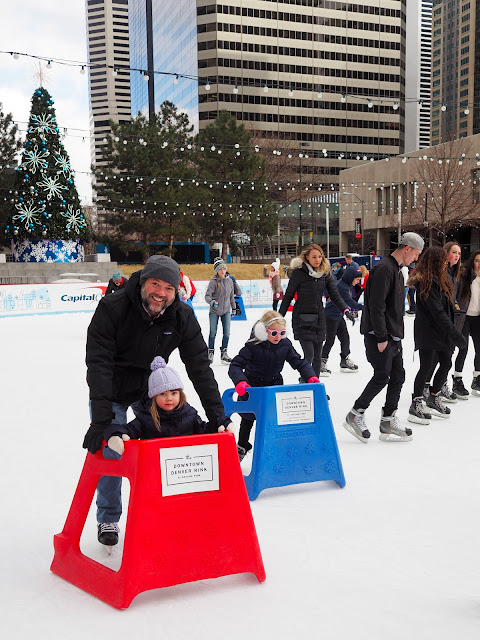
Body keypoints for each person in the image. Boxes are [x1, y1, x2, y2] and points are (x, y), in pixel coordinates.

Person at [83, 255, 231, 547]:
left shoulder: (181, 316)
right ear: (143, 282)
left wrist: (216, 415)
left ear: (176, 291)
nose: (160, 293)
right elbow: (98, 364)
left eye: (168, 288)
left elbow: (199, 367)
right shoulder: (113, 308)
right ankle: (109, 517)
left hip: (150, 390)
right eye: (155, 284)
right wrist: (102, 421)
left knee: (165, 446)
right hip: (112, 388)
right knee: (113, 451)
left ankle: (162, 512)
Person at [343, 232, 425, 443]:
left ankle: (388, 419)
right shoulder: (384, 269)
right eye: (416, 254)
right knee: (382, 376)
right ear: (407, 248)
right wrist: (381, 337)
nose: (415, 259)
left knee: (398, 376)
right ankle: (356, 413)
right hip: (379, 335)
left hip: (393, 334)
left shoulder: (397, 271)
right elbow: (376, 306)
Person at [228, 310, 319, 461]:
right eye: (274, 333)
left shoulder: (285, 344)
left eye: (282, 332)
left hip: (273, 388)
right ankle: (242, 446)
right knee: (248, 419)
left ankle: (273, 447)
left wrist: (310, 375)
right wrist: (240, 381)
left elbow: (298, 362)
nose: (278, 337)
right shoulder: (252, 346)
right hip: (252, 389)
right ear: (264, 331)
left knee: (273, 420)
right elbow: (235, 365)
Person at [104, 356, 226, 454]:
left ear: (180, 394)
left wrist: (219, 423)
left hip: (184, 470)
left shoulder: (190, 415)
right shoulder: (146, 419)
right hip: (155, 471)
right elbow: (128, 429)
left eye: (174, 393)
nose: (169, 398)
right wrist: (115, 434)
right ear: (154, 397)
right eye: (162, 394)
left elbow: (204, 430)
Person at [406, 247, 467, 425]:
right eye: (441, 261)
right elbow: (437, 311)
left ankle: (433, 396)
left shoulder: (444, 277)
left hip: (441, 330)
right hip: (428, 330)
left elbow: (446, 306)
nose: (445, 264)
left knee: (446, 362)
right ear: (434, 263)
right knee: (426, 366)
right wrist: (455, 333)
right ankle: (416, 402)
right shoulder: (426, 282)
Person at [278, 243, 354, 378]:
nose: (317, 259)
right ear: (307, 257)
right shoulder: (298, 273)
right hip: (302, 318)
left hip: (319, 318)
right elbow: (288, 296)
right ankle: (306, 382)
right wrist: (278, 317)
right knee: (310, 354)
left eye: (320, 256)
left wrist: (345, 310)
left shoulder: (325, 274)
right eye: (314, 257)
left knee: (318, 356)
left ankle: (315, 387)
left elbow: (335, 295)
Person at [422, 242, 462, 401]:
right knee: (435, 358)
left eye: (459, 253)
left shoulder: (452, 274)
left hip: (449, 321)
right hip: (437, 325)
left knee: (445, 357)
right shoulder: (440, 274)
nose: (457, 256)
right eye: (454, 252)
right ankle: (427, 387)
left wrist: (455, 303)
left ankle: (439, 385)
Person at [322, 266, 363, 375]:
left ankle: (344, 360)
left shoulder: (345, 285)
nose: (358, 282)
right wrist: (365, 307)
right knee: (330, 340)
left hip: (338, 315)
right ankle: (321, 362)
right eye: (357, 279)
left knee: (345, 338)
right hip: (331, 316)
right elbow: (350, 303)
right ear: (351, 277)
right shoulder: (342, 287)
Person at [452, 249, 480, 397]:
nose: (479, 264)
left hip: (478, 318)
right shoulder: (465, 277)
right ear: (472, 262)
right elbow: (455, 294)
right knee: (463, 348)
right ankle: (457, 379)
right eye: (477, 260)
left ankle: (477, 377)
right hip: (464, 317)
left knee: (479, 349)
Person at [205, 259, 237, 364]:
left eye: (224, 268)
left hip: (226, 311)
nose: (223, 271)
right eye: (220, 269)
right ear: (217, 270)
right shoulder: (213, 282)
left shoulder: (229, 281)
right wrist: (212, 302)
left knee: (227, 333)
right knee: (212, 333)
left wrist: (234, 308)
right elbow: (207, 296)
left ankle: (224, 354)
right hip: (214, 311)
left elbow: (231, 296)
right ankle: (210, 353)